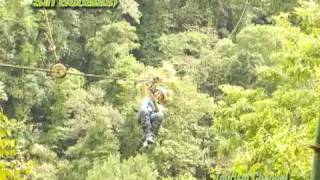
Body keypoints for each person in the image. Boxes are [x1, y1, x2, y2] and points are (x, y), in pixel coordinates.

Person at [138, 81, 168, 147]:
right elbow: (145, 91)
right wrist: (146, 83)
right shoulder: (148, 97)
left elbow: (158, 111)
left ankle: (150, 137)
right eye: (159, 93)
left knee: (160, 115)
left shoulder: (159, 106)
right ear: (156, 92)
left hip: (150, 118)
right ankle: (148, 135)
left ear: (161, 99)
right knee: (144, 110)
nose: (158, 95)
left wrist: (155, 102)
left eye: (160, 96)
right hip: (143, 115)